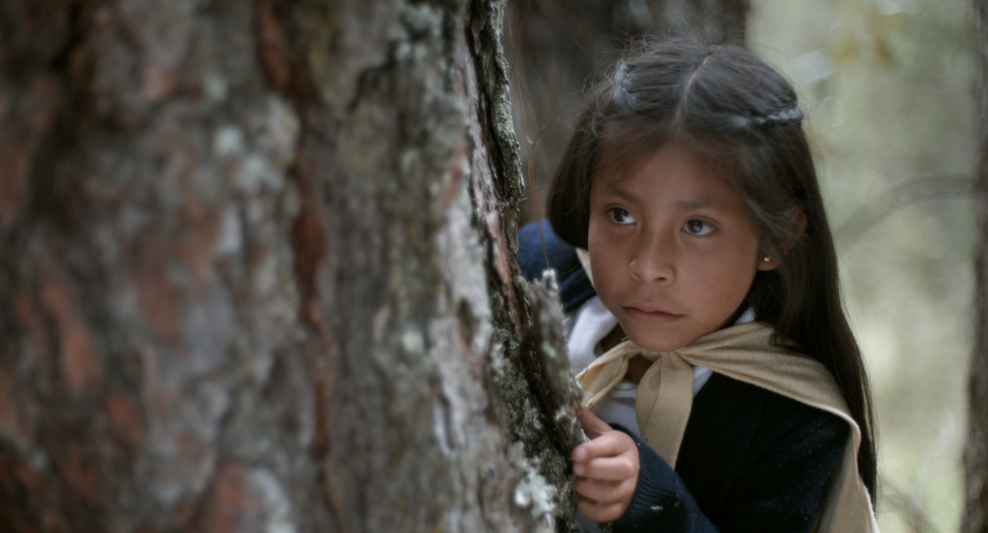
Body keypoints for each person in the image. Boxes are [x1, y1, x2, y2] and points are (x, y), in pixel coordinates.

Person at [517, 37, 879, 532]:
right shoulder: (531, 275)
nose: (648, 265)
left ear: (778, 236)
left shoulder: (793, 422)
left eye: (697, 226)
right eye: (621, 214)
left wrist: (653, 502)